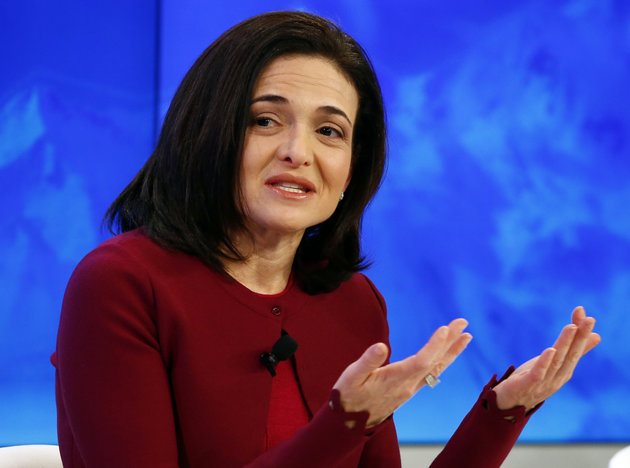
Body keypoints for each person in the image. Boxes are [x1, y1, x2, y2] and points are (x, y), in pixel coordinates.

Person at [52, 11, 601, 468]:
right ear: (206, 132)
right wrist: (344, 425)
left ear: (352, 168)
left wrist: (502, 415)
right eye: (265, 121)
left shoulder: (351, 301)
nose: (298, 151)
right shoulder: (121, 284)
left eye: (329, 131)